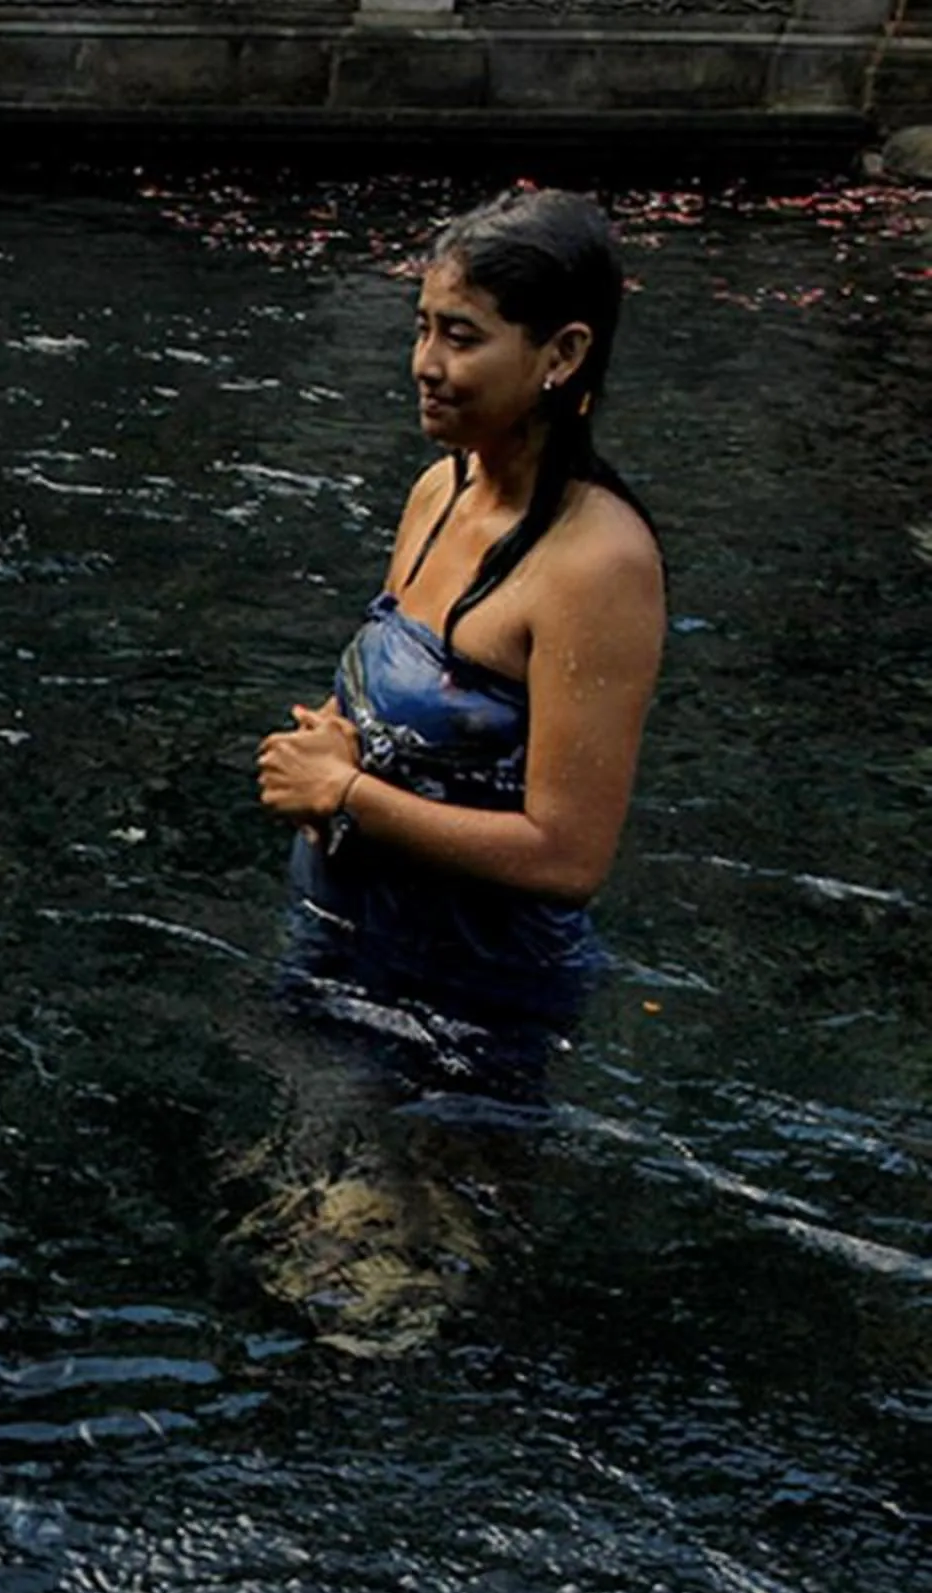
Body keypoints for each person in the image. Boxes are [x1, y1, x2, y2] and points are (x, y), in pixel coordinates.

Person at [238, 187, 665, 1352]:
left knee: (373, 1316)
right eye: (423, 326)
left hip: (467, 1001)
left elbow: (569, 855)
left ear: (562, 354)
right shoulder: (441, 488)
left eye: (462, 336)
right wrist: (334, 739)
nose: (424, 363)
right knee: (280, 1244)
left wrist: (347, 794)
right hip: (341, 942)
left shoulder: (598, 564)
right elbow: (391, 686)